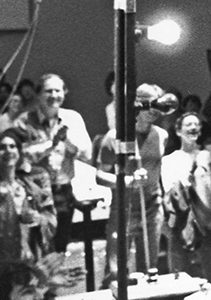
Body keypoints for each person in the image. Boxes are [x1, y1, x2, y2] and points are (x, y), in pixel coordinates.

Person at [96, 83, 170, 281]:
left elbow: (159, 172)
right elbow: (100, 176)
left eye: (157, 104)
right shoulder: (115, 137)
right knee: (116, 272)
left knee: (150, 269)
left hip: (152, 208)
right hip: (124, 210)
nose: (153, 109)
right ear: (136, 104)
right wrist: (128, 181)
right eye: (148, 104)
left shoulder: (162, 135)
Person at [12, 75, 91, 253]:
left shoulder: (72, 118)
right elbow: (17, 158)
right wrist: (51, 144)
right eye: (48, 91)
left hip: (62, 190)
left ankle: (57, 278)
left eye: (58, 90)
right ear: (38, 94)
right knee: (36, 246)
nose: (54, 95)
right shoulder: (24, 121)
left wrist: (68, 141)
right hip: (34, 192)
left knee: (60, 245)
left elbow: (87, 154)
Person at [161, 112, 211, 286]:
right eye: (188, 125)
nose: (193, 128)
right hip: (182, 224)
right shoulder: (169, 160)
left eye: (197, 125)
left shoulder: (207, 156)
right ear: (178, 131)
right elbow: (170, 194)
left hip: (208, 223)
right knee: (179, 277)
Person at [0, 131, 53, 265]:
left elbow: (51, 217)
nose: (8, 151)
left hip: (30, 261)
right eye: (2, 147)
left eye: (12, 146)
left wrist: (39, 219)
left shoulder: (31, 185)